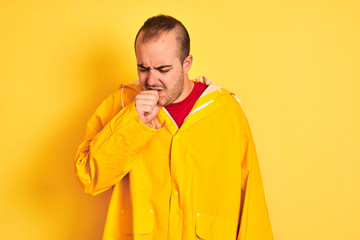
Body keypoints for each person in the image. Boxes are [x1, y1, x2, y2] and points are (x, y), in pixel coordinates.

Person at [74, 14, 273, 240]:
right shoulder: (120, 104)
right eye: (143, 68)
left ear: (186, 63)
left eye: (163, 69)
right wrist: (133, 121)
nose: (151, 80)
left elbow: (252, 200)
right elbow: (89, 177)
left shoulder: (226, 111)